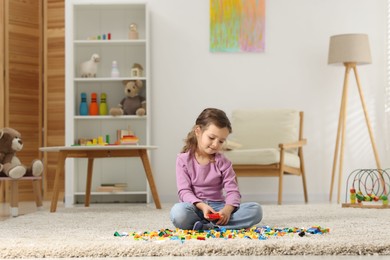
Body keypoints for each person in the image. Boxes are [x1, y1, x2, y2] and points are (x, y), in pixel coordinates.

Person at [170, 108, 262, 230]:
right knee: (179, 212)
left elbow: (233, 191)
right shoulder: (183, 160)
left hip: (218, 209)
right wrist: (202, 206)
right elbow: (184, 191)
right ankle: (214, 225)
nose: (215, 144)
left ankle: (205, 226)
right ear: (198, 131)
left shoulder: (224, 162)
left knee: (256, 210)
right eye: (211, 138)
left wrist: (227, 210)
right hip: (195, 208)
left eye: (221, 141)